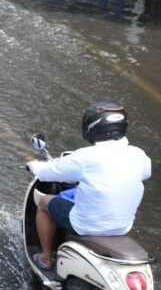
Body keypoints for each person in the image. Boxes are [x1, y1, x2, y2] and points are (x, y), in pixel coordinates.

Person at [26, 102, 152, 271]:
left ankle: (46, 258)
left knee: (44, 203)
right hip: (122, 227)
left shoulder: (85, 157)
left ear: (92, 126)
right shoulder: (138, 154)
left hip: (87, 225)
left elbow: (49, 172)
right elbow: (145, 173)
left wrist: (33, 165)